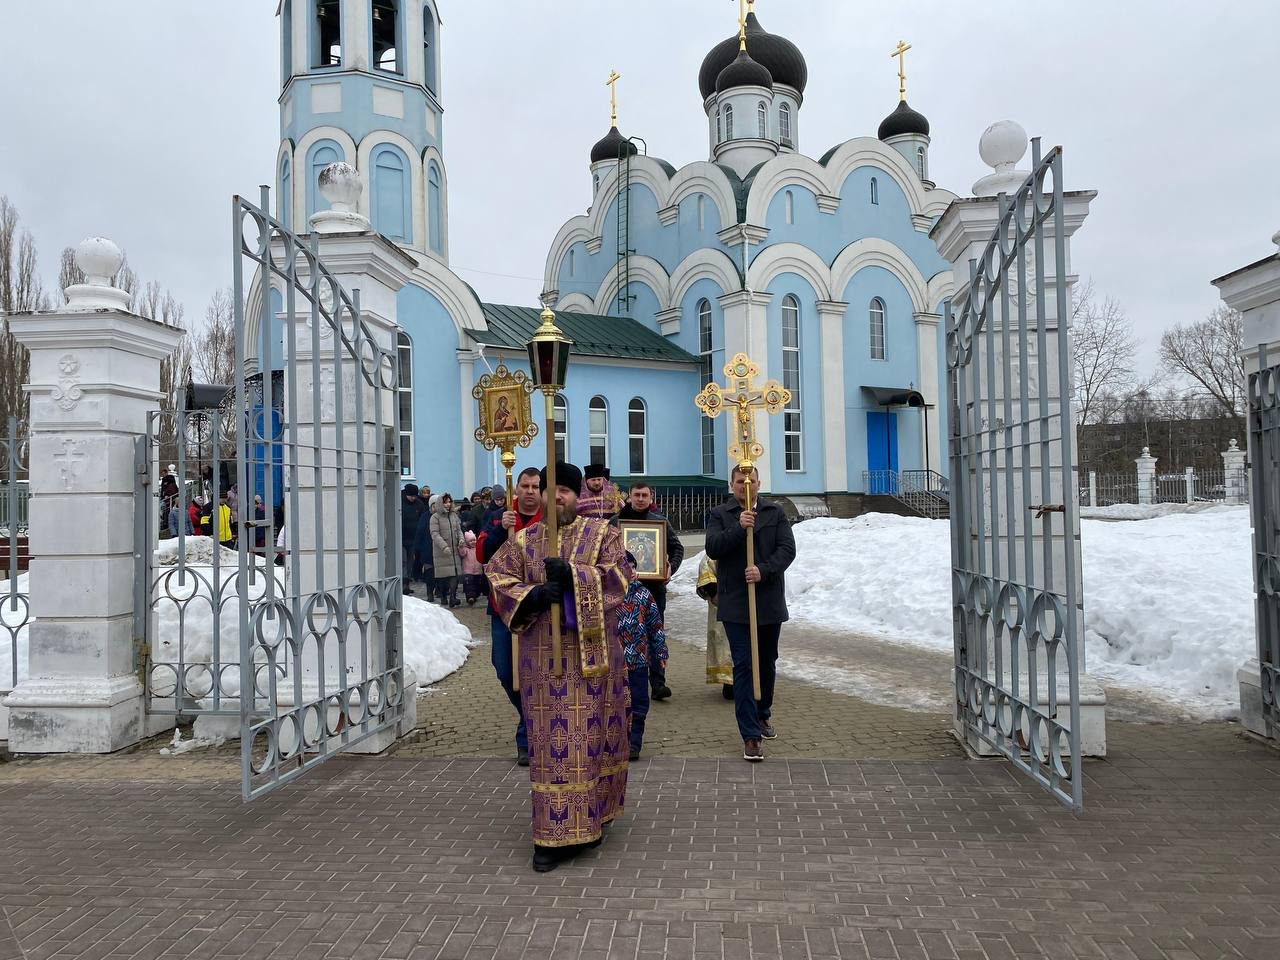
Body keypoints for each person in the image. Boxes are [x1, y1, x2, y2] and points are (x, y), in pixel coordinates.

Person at [486, 461, 633, 872]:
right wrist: (533, 596)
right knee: (552, 748)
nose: (560, 497)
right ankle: (552, 834)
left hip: (592, 661)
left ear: (577, 496)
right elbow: (496, 575)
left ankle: (592, 817)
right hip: (543, 663)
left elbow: (620, 577)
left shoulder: (602, 534)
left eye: (568, 491)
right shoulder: (525, 539)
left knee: (590, 742)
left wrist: (574, 576)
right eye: (554, 491)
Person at [705, 464, 796, 762]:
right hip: (736, 603)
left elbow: (787, 549)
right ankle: (750, 735)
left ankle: (762, 713)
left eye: (752, 481)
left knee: (767, 662)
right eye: (740, 482)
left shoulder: (774, 513)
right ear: (732, 485)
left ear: (759, 483)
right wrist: (738, 527)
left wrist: (764, 571)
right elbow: (713, 548)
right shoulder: (721, 515)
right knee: (743, 665)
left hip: (768, 600)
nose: (746, 486)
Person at [477, 467, 543, 765]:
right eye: (525, 486)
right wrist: (498, 530)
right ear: (516, 489)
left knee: (535, 672)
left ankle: (526, 737)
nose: (529, 491)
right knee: (505, 670)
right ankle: (530, 718)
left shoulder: (551, 518)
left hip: (537, 606)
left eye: (535, 486)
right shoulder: (500, 516)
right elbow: (482, 555)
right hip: (503, 606)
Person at [611, 481, 684, 701]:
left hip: (654, 589)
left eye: (645, 495)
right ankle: (624, 678)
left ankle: (658, 683)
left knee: (655, 632)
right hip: (624, 591)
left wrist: (671, 566)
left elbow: (677, 548)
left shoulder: (660, 522)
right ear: (630, 497)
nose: (640, 499)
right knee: (623, 633)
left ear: (651, 498)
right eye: (637, 495)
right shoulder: (617, 522)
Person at [615, 574, 668, 761]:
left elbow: (655, 627)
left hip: (638, 661)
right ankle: (618, 741)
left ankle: (634, 743)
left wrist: (661, 652)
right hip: (613, 664)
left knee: (638, 703)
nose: (628, 571)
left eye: (632, 567)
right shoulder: (607, 595)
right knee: (616, 704)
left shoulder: (644, 595)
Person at [696, 555, 735, 700]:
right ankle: (730, 683)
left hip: (747, 604)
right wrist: (714, 591)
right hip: (724, 604)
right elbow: (707, 565)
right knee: (725, 644)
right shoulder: (720, 544)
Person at [429, 493, 465, 607]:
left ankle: (453, 597)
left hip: (454, 550)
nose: (448, 504)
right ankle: (443, 596)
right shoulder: (435, 517)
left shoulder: (454, 515)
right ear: (441, 503)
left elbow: (459, 529)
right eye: (445, 502)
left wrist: (461, 539)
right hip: (441, 551)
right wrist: (444, 546)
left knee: (454, 574)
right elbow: (434, 534)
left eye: (449, 502)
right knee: (443, 577)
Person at [401, 484, 427, 593]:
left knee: (410, 561)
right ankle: (403, 583)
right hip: (401, 538)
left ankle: (407, 583)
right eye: (411, 496)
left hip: (413, 538)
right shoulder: (399, 502)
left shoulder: (419, 504)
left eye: (415, 496)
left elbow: (423, 519)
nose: (413, 498)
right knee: (403, 561)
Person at [461, 528, 484, 605]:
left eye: (474, 540)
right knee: (469, 585)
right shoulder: (465, 549)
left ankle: (475, 595)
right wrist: (461, 547)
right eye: (470, 541)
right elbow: (462, 553)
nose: (473, 542)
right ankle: (470, 597)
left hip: (478, 570)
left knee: (477, 584)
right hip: (468, 571)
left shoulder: (478, 548)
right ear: (467, 542)